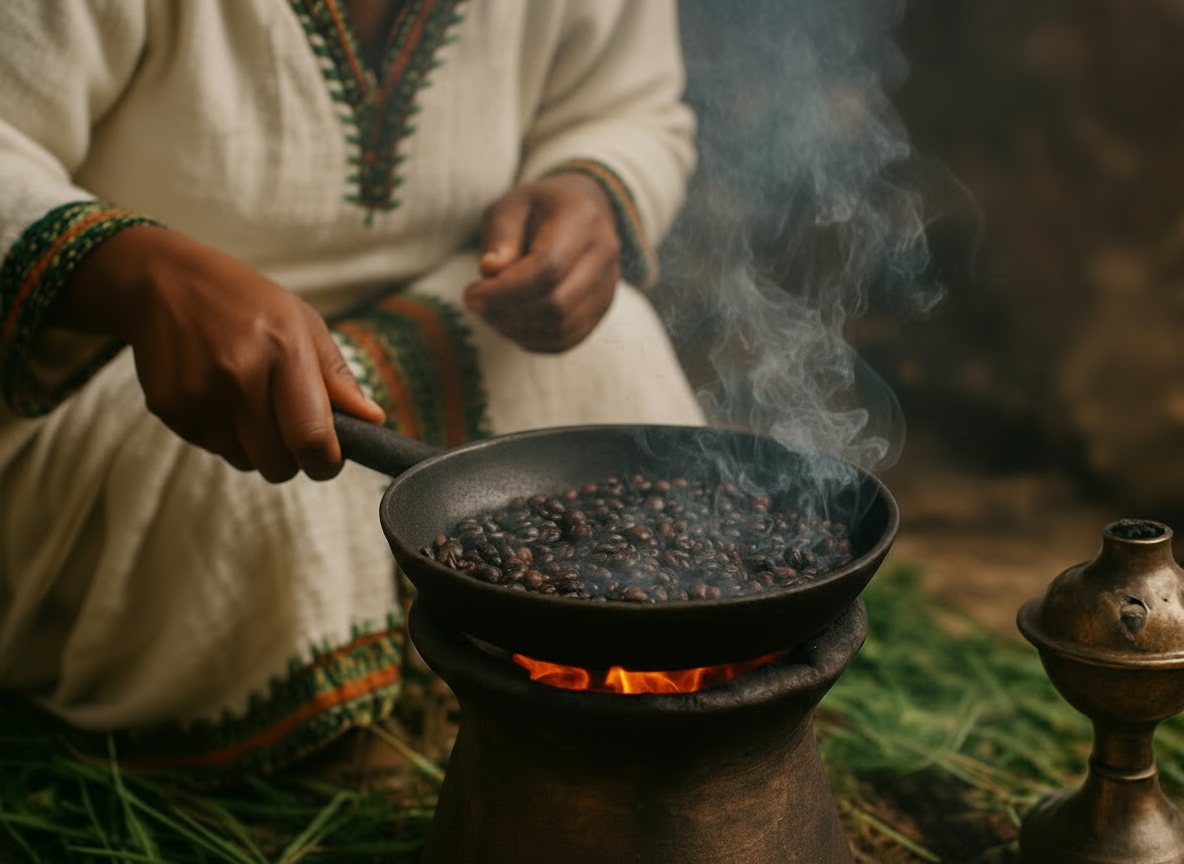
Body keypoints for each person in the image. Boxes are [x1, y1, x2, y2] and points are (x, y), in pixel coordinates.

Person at [0, 0, 703, 774]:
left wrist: (591, 190)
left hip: (461, 300)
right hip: (126, 372)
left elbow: (627, 107)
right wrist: (141, 275)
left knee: (619, 347)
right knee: (244, 482)